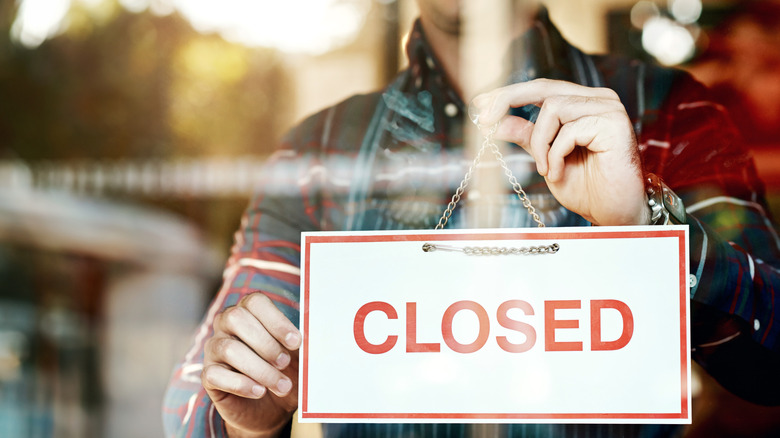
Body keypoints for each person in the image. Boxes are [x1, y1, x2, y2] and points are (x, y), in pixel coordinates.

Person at [163, 0, 780, 436]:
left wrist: (648, 226)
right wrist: (250, 413)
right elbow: (201, 399)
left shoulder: (671, 112)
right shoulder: (318, 151)